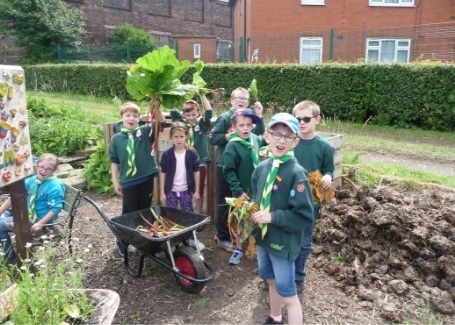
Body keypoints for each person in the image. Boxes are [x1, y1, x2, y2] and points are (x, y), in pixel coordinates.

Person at [251, 113, 314, 325]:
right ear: (267, 137)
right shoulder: (261, 169)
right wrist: (250, 211)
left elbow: (304, 215)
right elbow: (257, 198)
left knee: (289, 294)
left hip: (283, 243)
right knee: (270, 281)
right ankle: (275, 318)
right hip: (264, 239)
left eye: (288, 136)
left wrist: (272, 216)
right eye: (277, 134)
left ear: (295, 141)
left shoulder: (297, 174)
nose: (281, 140)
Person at [208, 87, 264, 252]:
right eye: (238, 98)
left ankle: (235, 234)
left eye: (245, 99)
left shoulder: (247, 119)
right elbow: (213, 138)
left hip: (243, 166)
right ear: (231, 100)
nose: (241, 101)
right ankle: (222, 237)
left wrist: (260, 115)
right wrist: (230, 136)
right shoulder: (226, 118)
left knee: (240, 203)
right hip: (225, 164)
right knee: (224, 203)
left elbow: (260, 134)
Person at [109, 101, 164, 256]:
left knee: (145, 209)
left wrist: (157, 107)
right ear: (122, 118)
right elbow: (114, 161)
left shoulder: (146, 131)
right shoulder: (117, 139)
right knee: (129, 211)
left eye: (135, 115)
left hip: (146, 178)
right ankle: (123, 240)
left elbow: (161, 124)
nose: (131, 118)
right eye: (128, 115)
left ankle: (142, 241)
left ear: (139, 118)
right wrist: (115, 181)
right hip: (129, 181)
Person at [293, 100, 335, 294]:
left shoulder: (325, 146)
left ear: (317, 119)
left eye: (306, 119)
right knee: (286, 235)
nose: (301, 122)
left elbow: (329, 169)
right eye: (298, 118)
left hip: (311, 201)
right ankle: (282, 273)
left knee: (304, 240)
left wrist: (327, 177)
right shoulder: (291, 141)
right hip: (288, 198)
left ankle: (298, 275)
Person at [0, 153, 65, 265]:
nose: (44, 171)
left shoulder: (54, 186)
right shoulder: (32, 180)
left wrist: (40, 223)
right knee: (4, 215)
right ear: (37, 164)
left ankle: (10, 259)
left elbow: (56, 208)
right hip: (27, 212)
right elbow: (14, 197)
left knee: (0, 226)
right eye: (42, 167)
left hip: (37, 219)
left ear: (54, 171)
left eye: (49, 169)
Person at [223, 108, 265, 265]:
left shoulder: (254, 138)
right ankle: (239, 248)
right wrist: (238, 191)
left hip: (257, 188)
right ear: (234, 128)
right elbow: (229, 172)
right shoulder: (232, 146)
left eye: (249, 124)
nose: (246, 128)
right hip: (241, 191)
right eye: (241, 125)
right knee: (239, 219)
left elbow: (265, 139)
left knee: (256, 215)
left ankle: (255, 245)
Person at [159, 122, 203, 249]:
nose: (179, 140)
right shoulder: (167, 154)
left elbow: (196, 172)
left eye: (181, 136)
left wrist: (197, 191)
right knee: (170, 216)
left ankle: (191, 239)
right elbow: (163, 173)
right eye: (176, 137)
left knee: (188, 215)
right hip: (171, 191)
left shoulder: (192, 152)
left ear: (186, 137)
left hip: (186, 190)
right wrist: (162, 192)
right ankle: (171, 242)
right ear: (171, 138)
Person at [170, 94, 212, 214]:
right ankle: (187, 213)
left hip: (200, 162)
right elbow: (174, 113)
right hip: (184, 162)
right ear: (184, 115)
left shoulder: (202, 125)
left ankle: (198, 214)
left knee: (198, 189)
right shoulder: (182, 126)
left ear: (198, 113)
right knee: (184, 188)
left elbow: (209, 111)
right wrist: (173, 95)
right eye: (188, 115)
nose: (191, 117)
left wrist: (202, 95)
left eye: (194, 114)